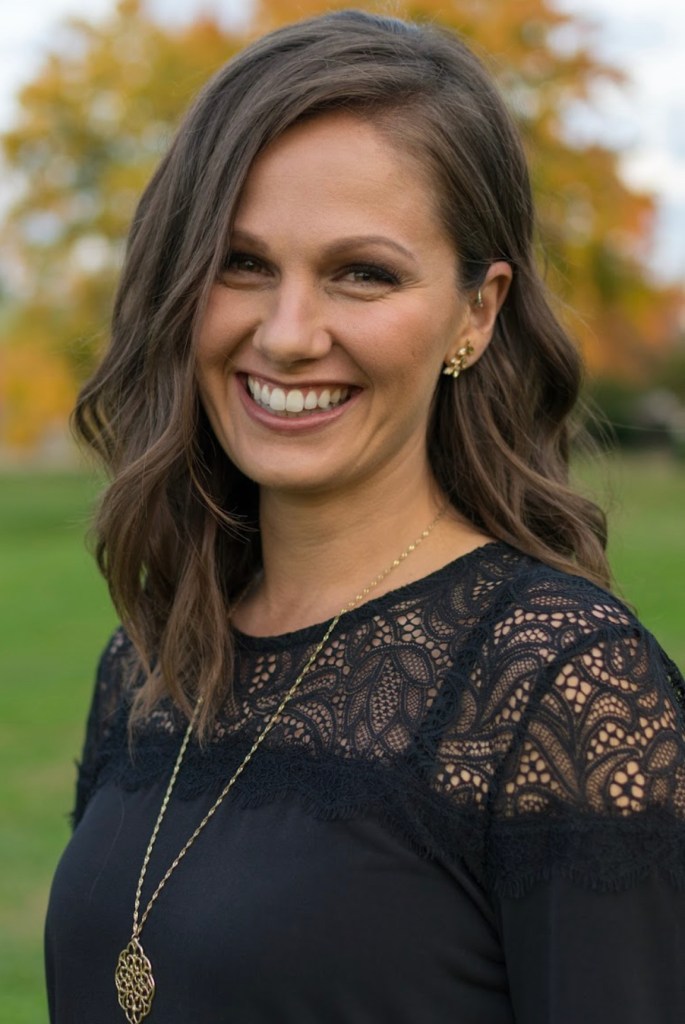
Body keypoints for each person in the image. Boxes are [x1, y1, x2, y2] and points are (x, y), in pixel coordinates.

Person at [45, 9, 685, 1024]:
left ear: (475, 313)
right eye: (242, 262)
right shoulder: (147, 661)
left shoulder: (558, 688)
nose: (288, 333)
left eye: (362, 273)